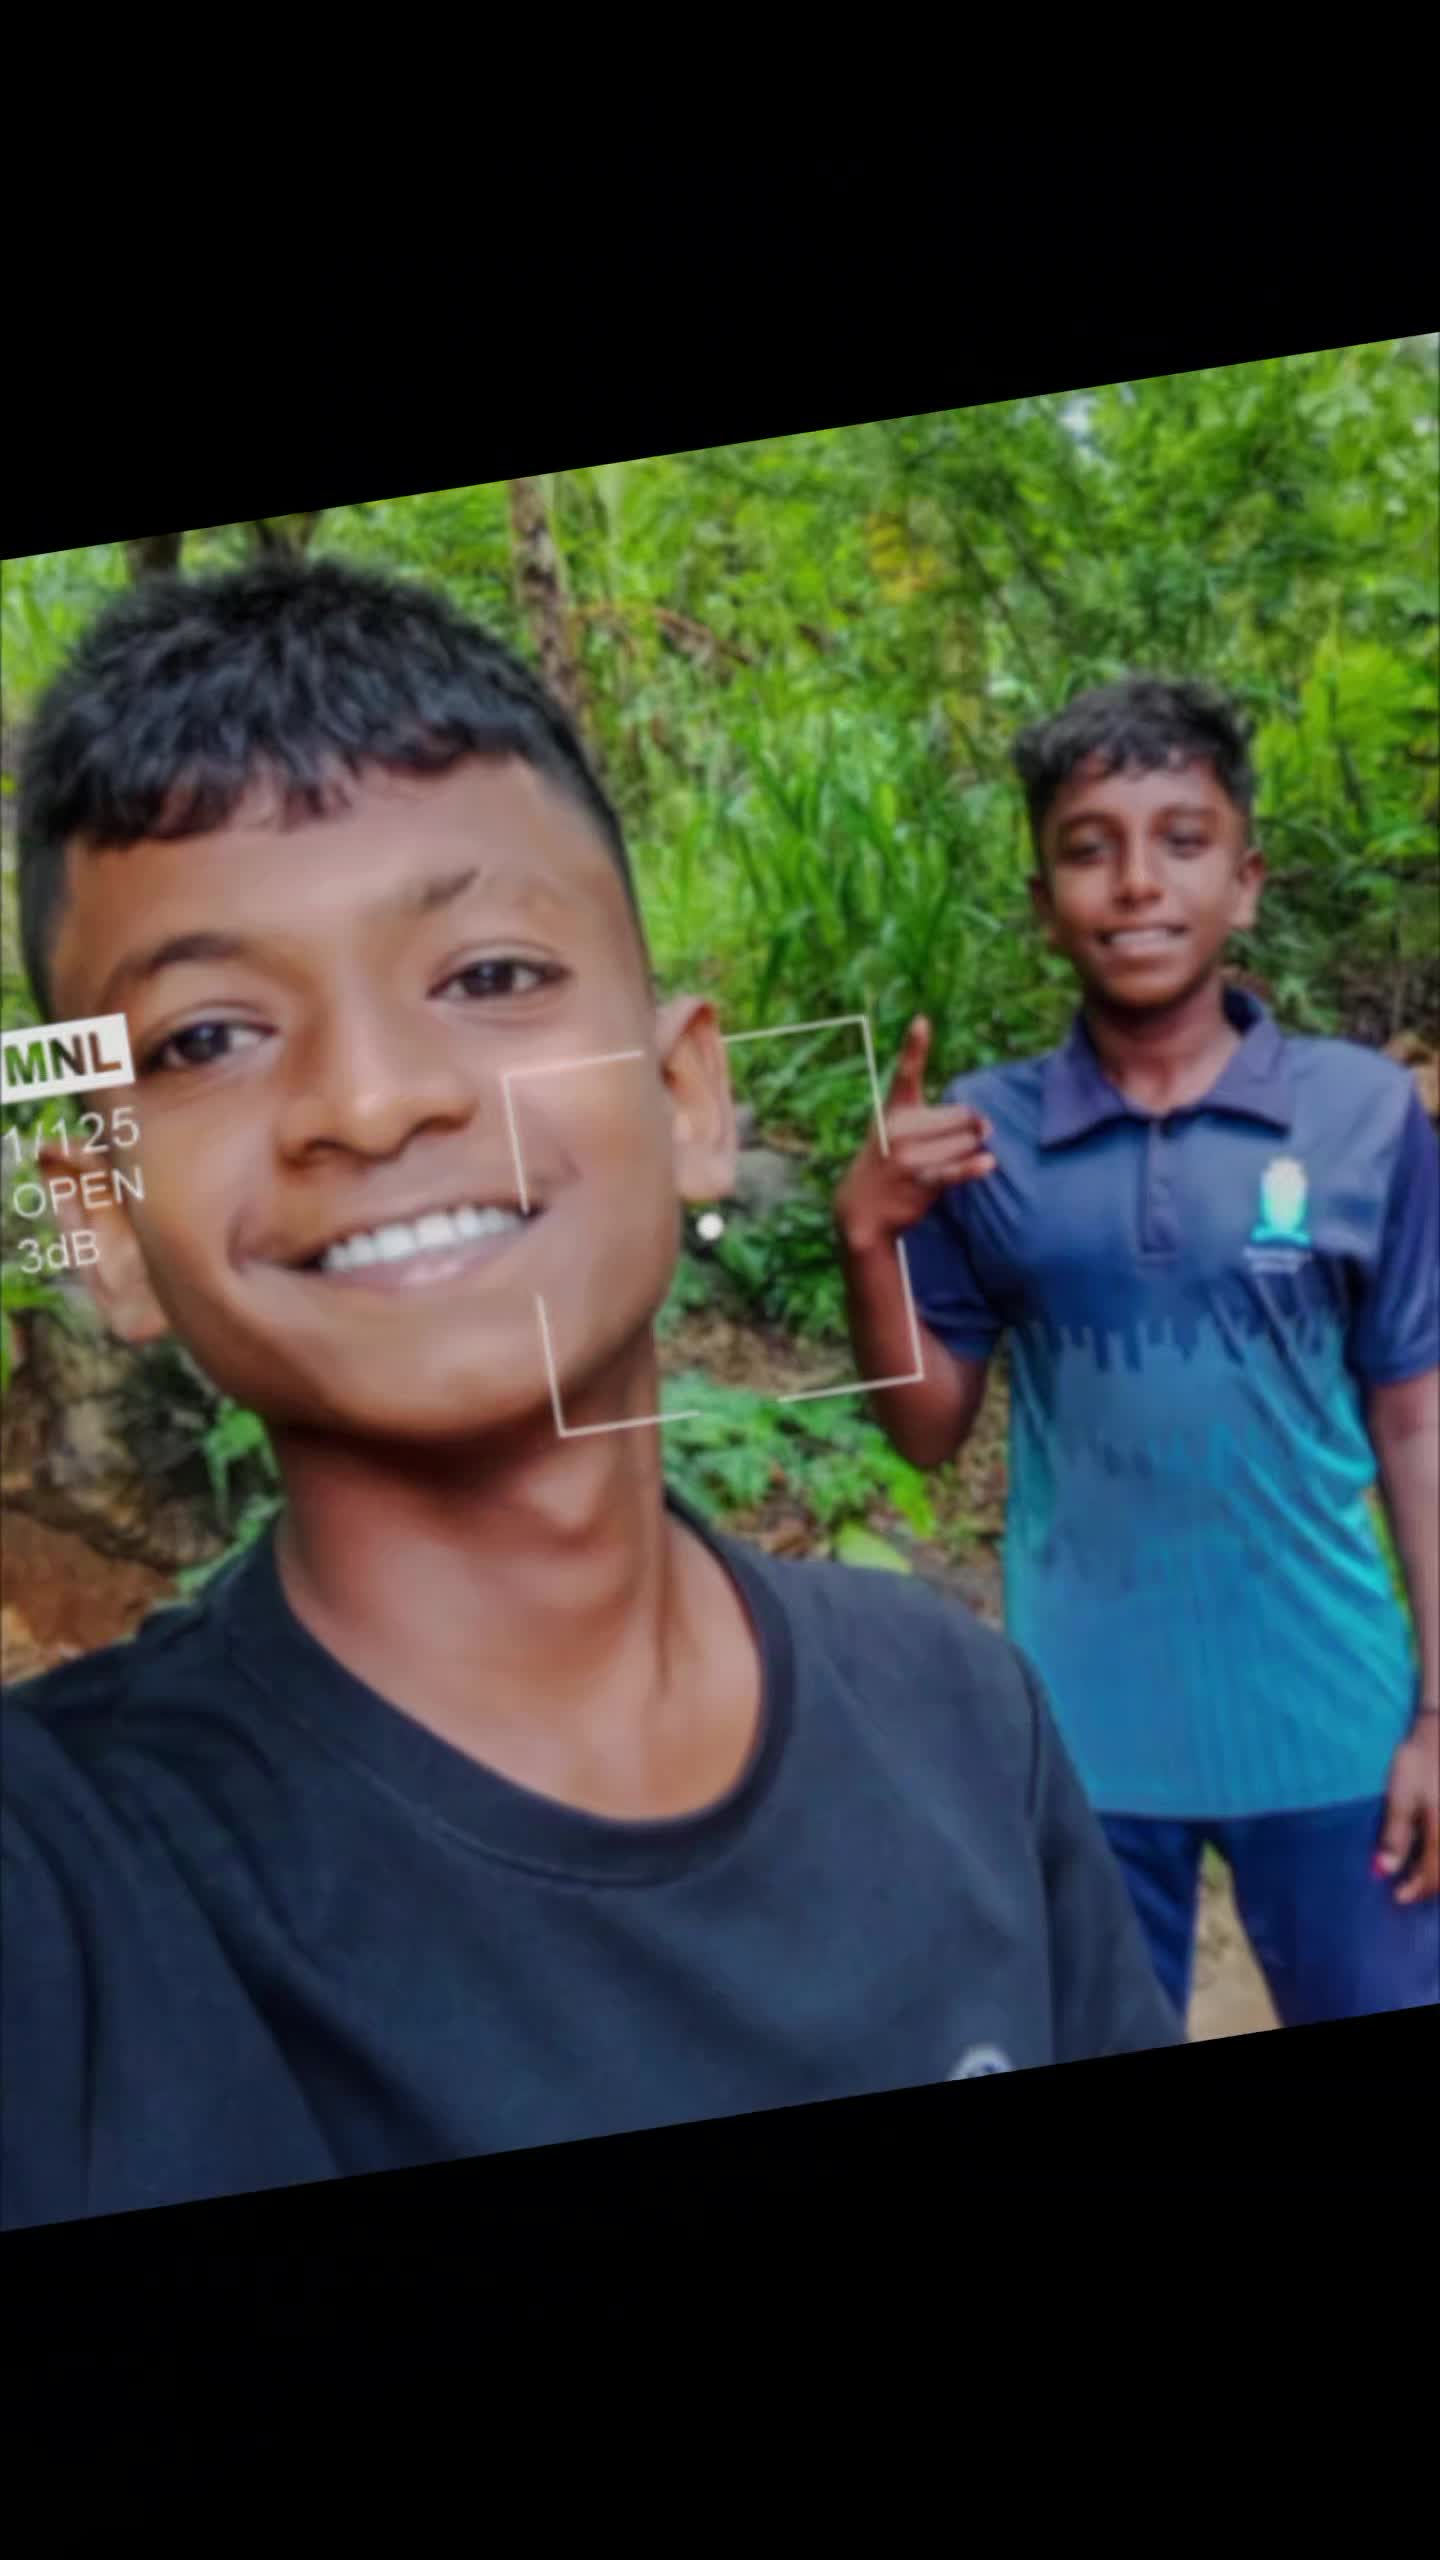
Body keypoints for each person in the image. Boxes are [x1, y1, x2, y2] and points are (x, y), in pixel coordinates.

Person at [0, 560, 1178, 2233]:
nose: (374, 1100)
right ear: (103, 1225)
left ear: (689, 1095)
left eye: (488, 976)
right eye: (205, 1039)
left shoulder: (959, 1711)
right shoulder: (67, 1889)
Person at [837, 676, 1439, 2029]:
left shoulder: (1361, 1116)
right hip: (1085, 1738)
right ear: (1044, 903)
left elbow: (1417, 1417)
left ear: (1247, 882)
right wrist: (868, 1240)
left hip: (1333, 1718)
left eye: (1182, 839)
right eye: (1089, 848)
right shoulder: (982, 1137)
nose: (1137, 883)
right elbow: (925, 1430)